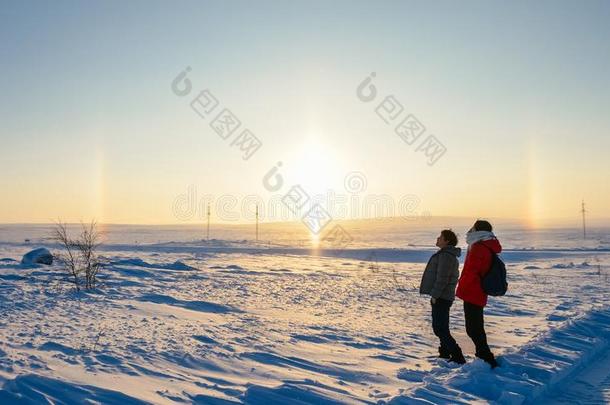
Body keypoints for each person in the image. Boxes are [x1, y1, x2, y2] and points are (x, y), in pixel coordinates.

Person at [456, 220, 501, 368]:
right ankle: (483, 354)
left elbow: (472, 272)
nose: (470, 229)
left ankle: (486, 356)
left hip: (472, 291)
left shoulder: (477, 247)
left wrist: (462, 288)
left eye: (473, 227)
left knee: (473, 327)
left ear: (477, 230)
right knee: (476, 326)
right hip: (478, 291)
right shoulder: (486, 244)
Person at [419, 229, 465, 364]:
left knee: (439, 328)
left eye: (440, 237)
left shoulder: (446, 256)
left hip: (442, 297)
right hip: (443, 296)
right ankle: (445, 353)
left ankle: (457, 355)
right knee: (442, 327)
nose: (438, 239)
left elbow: (442, 278)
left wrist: (435, 295)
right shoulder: (446, 254)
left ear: (447, 241)